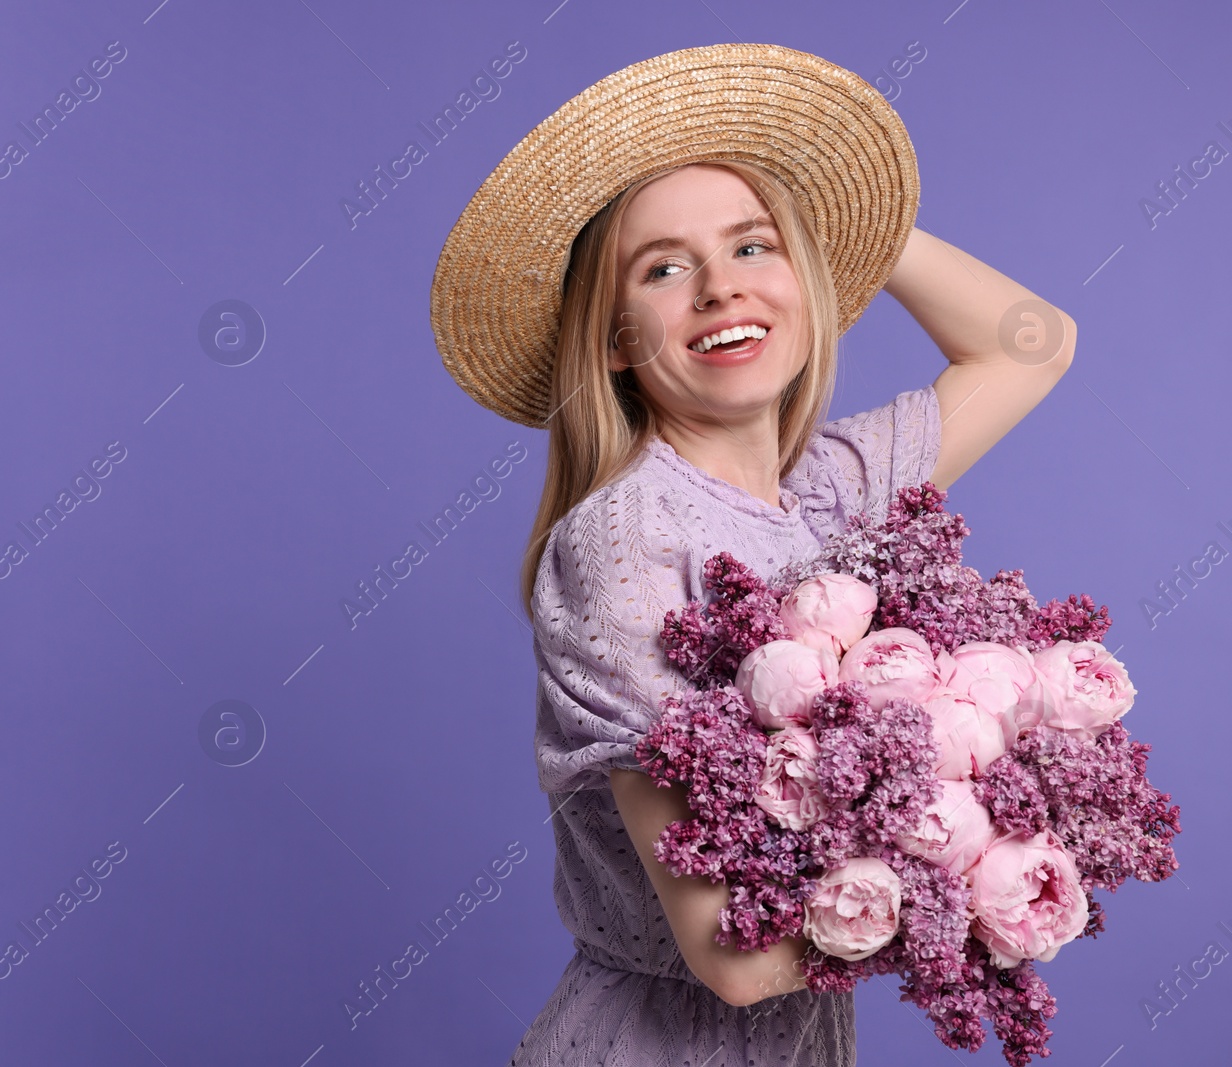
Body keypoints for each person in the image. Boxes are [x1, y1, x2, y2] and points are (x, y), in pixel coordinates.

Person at [428, 44, 1076, 1065]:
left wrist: (837, 209)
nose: (720, 291)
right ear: (612, 340)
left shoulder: (825, 489)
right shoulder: (624, 536)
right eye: (664, 268)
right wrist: (979, 861)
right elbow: (733, 949)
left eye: (752, 248)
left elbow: (1030, 341)